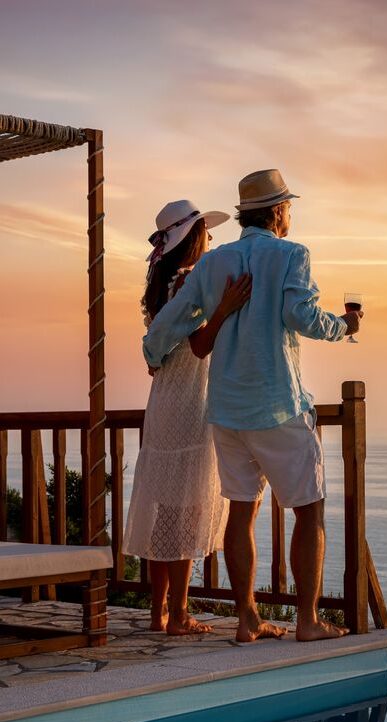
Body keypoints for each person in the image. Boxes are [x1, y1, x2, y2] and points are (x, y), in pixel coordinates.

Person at [143, 170, 362, 643]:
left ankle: (247, 618)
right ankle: (307, 621)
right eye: (289, 208)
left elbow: (169, 322)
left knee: (241, 512)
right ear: (279, 211)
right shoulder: (291, 255)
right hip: (278, 403)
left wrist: (152, 355)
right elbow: (299, 316)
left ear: (246, 214)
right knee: (309, 510)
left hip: (226, 410)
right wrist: (344, 326)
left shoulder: (213, 263)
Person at [124, 199, 252, 635]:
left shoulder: (162, 283)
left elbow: (158, 348)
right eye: (206, 233)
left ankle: (160, 611)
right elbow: (199, 346)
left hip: (163, 399)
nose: (211, 240)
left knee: (164, 506)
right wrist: (225, 309)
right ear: (194, 238)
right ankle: (178, 613)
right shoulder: (189, 284)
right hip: (190, 400)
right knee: (186, 508)